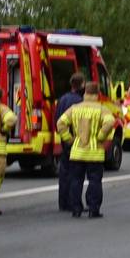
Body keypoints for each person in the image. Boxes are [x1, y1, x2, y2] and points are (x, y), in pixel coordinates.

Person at [57, 83, 121, 219]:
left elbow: (60, 123)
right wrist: (101, 136)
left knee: (76, 181)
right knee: (95, 181)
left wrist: (68, 139)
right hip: (94, 152)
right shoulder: (101, 109)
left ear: (85, 93)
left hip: (77, 151)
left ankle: (76, 209)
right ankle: (93, 209)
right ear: (97, 94)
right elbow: (110, 122)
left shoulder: (74, 108)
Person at [53, 83, 86, 214]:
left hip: (64, 139)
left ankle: (63, 203)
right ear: (80, 85)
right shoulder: (79, 101)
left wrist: (65, 138)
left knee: (64, 172)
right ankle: (74, 203)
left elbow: (57, 119)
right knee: (75, 174)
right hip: (75, 140)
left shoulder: (62, 99)